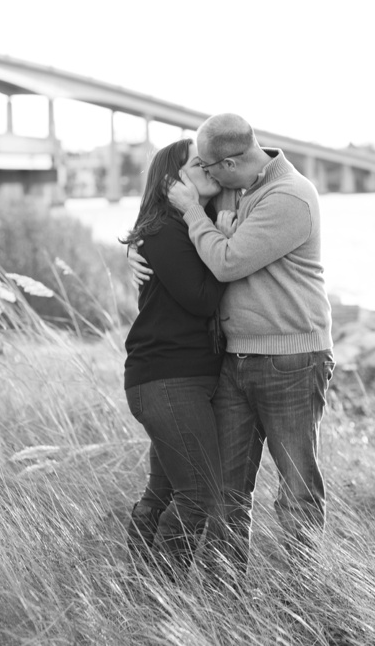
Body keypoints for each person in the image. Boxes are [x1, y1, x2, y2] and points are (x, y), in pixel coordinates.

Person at [155, 112, 336, 570]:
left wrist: (193, 212)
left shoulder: (290, 197)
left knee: (296, 490)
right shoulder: (236, 184)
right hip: (234, 360)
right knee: (225, 490)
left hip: (292, 361)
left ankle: (301, 592)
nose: (206, 177)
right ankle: (225, 601)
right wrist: (140, 255)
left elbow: (227, 262)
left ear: (231, 163)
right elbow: (179, 236)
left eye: (210, 168)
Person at [120, 138, 228, 573]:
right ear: (172, 180)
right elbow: (203, 299)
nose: (212, 169)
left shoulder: (178, 228)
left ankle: (137, 585)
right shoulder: (166, 232)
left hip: (177, 380)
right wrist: (223, 237)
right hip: (167, 380)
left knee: (162, 492)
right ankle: (167, 594)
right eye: (199, 164)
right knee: (199, 495)